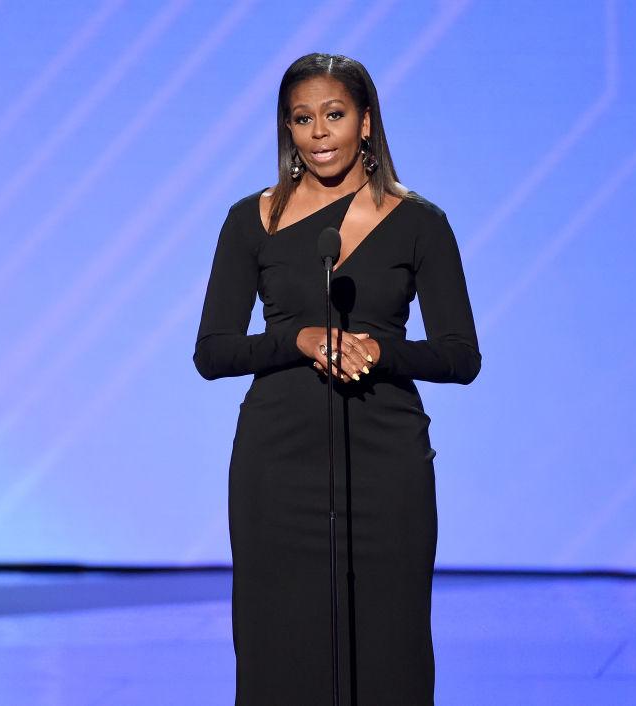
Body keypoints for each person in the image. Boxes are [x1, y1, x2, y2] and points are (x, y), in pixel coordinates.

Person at [194, 52, 480, 706]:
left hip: (385, 465)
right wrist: (296, 339)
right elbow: (212, 352)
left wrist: (381, 352)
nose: (319, 133)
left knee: (389, 647)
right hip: (278, 464)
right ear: (287, 129)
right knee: (278, 648)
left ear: (366, 122)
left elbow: (460, 356)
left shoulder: (421, 223)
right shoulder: (252, 220)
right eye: (303, 119)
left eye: (334, 114)